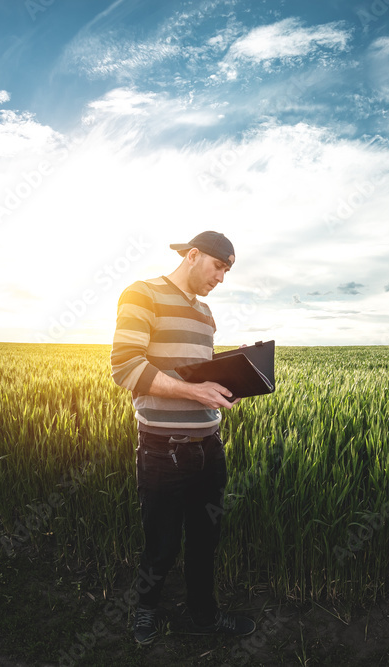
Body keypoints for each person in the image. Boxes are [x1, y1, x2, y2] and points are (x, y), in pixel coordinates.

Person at [110, 230, 256, 645]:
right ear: (193, 256)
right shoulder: (142, 294)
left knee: (205, 541)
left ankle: (204, 617)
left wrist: (236, 371)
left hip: (211, 448)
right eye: (218, 267)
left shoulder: (207, 313)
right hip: (162, 451)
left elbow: (198, 372)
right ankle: (145, 612)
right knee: (161, 543)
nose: (222, 278)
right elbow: (124, 367)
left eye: (227, 271)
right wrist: (194, 391)